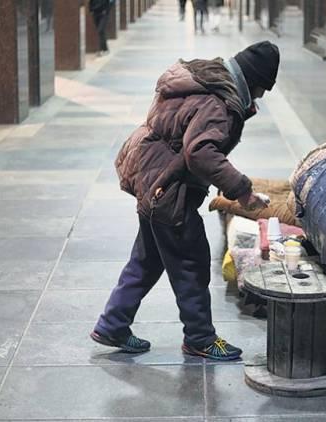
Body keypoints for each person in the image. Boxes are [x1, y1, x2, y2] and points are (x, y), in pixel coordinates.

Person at [91, 41, 281, 361]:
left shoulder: (206, 77)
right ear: (253, 80)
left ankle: (113, 324)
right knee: (191, 263)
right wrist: (242, 190)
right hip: (168, 189)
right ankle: (200, 338)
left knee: (148, 258)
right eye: (262, 88)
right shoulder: (219, 102)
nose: (261, 97)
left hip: (151, 177)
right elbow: (200, 153)